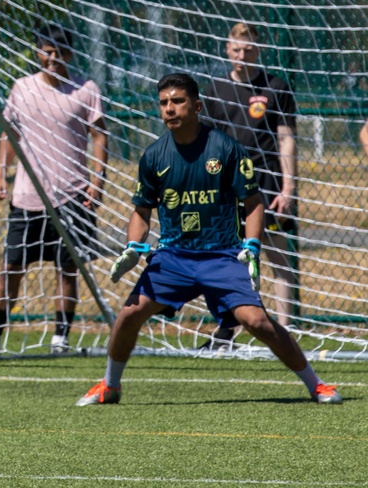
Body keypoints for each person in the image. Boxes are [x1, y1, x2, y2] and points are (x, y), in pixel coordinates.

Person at [76, 73, 341, 407]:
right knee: (129, 314)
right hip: (173, 257)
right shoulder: (154, 156)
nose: (169, 109)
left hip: (222, 256)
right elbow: (141, 212)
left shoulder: (226, 149)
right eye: (163, 103)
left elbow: (254, 203)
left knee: (258, 321)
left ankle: (316, 385)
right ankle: (110, 386)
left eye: (177, 101)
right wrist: (133, 246)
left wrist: (252, 246)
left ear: (197, 105)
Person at [0, 24, 107, 354]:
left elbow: (99, 136)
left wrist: (98, 182)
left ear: (70, 55)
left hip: (72, 196)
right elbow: (9, 132)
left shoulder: (85, 89)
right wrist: (0, 175)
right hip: (27, 198)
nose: (52, 58)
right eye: (46, 51)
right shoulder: (22, 88)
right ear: (38, 52)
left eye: (58, 52)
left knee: (68, 268)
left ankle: (60, 338)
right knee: (11, 267)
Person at [201, 22, 300, 346]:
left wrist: (288, 189)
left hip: (266, 184)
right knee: (228, 261)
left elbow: (286, 140)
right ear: (227, 49)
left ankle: (286, 331)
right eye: (236, 49)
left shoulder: (275, 87)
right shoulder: (214, 90)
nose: (242, 55)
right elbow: (205, 144)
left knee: (275, 255)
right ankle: (226, 330)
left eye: (248, 50)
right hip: (225, 187)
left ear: (258, 51)